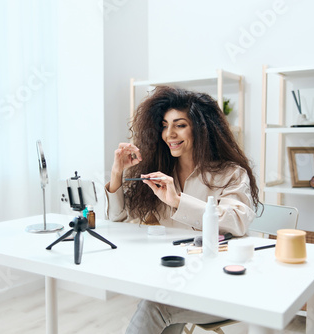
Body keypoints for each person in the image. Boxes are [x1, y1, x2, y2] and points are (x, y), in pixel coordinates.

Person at [105, 86, 260, 334]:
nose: (169, 134)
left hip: (222, 285)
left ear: (201, 128)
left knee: (156, 305)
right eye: (165, 125)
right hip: (178, 280)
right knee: (158, 302)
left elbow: (237, 220)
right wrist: (117, 174)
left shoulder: (231, 173)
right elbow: (119, 222)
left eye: (180, 125)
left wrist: (178, 200)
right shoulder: (161, 173)